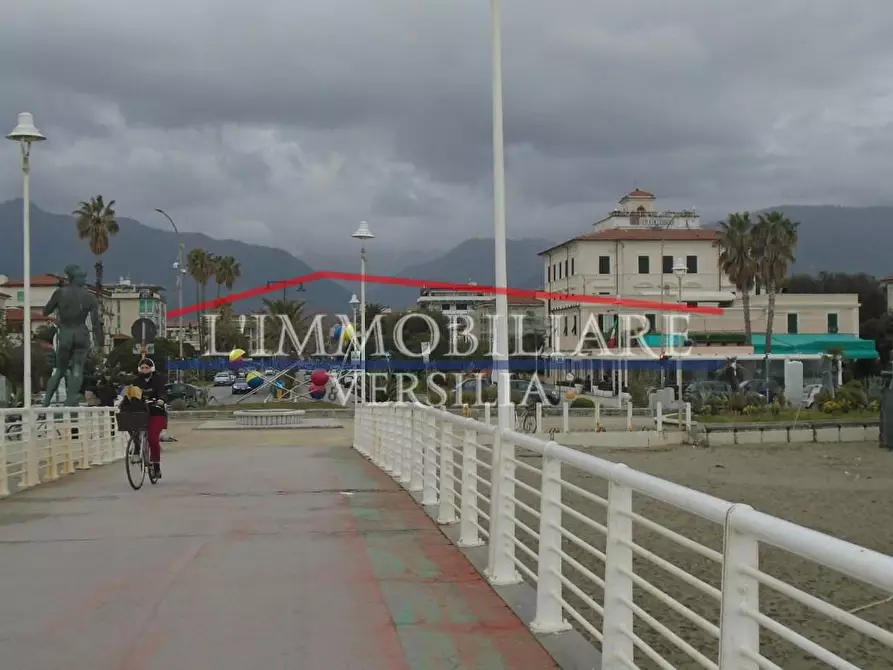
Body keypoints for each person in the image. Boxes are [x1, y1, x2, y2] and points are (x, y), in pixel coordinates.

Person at [124, 358, 168, 479]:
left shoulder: (159, 380)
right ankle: (137, 449)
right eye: (142, 368)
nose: (144, 370)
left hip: (157, 412)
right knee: (130, 425)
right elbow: (130, 394)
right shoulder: (136, 381)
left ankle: (156, 465)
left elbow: (163, 393)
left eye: (147, 368)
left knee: (153, 439)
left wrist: (161, 400)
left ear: (152, 368)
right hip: (141, 412)